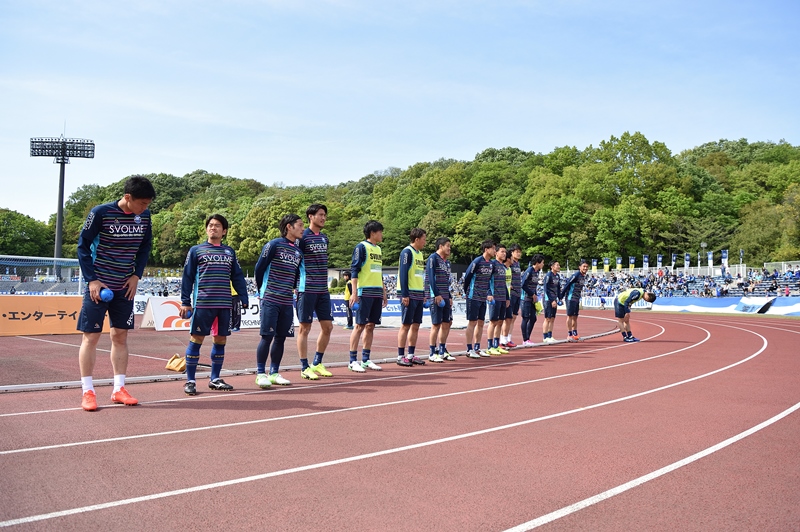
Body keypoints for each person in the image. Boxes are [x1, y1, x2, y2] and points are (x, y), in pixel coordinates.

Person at [76, 175, 156, 411]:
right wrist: (92, 280)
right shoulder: (101, 213)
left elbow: (145, 247)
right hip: (99, 286)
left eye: (148, 204)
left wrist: (136, 275)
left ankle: (119, 389)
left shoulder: (145, 217)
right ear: (127, 197)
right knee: (91, 337)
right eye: (142, 203)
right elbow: (82, 247)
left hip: (125, 286)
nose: (145, 208)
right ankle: (88, 391)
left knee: (120, 336)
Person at [179, 214, 249, 395]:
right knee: (196, 339)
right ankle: (190, 381)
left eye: (217, 225)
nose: (213, 228)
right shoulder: (196, 250)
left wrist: (244, 297)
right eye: (210, 225)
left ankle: (215, 379)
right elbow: (187, 277)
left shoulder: (229, 252)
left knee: (220, 340)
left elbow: (237, 276)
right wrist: (185, 302)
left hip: (224, 304)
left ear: (224, 231)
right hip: (203, 303)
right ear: (206, 229)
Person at [254, 214, 305, 388]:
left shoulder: (298, 252)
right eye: (300, 225)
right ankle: (260, 373)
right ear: (289, 227)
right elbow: (259, 268)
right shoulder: (274, 244)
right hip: (270, 297)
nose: (303, 228)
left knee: (281, 337)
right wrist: (262, 291)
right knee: (267, 336)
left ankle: (274, 373)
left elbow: (295, 275)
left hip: (286, 300)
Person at [296, 204, 335, 380]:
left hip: (322, 289)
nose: (323, 218)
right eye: (320, 215)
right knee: (305, 328)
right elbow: (296, 262)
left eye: (325, 215)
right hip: (307, 288)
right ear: (310, 217)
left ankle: (317, 362)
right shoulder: (302, 237)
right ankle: (304, 366)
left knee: (328, 327)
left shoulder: (325, 238)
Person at [348, 220, 388, 372]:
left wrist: (384, 292)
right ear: (372, 233)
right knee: (359, 326)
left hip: (377, 292)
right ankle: (352, 360)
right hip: (364, 292)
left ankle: (365, 359)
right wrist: (354, 293)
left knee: (371, 326)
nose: (382, 234)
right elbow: (354, 270)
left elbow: (379, 272)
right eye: (380, 232)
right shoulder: (361, 247)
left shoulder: (378, 249)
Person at [396, 228, 428, 367]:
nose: (425, 242)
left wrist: (423, 294)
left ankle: (410, 354)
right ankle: (400, 356)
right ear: (416, 239)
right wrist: (404, 294)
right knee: (406, 325)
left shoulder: (420, 254)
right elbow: (403, 273)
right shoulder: (407, 252)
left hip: (418, 294)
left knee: (416, 325)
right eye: (424, 239)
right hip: (409, 294)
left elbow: (420, 275)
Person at [462, 240, 496, 358]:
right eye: (493, 248)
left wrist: (489, 293)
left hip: (483, 297)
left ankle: (477, 347)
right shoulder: (477, 261)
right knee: (472, 322)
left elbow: (490, 281)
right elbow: (467, 276)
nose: (495, 251)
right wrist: (467, 291)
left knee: (481, 322)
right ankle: (469, 349)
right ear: (486, 249)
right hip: (473, 296)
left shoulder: (491, 264)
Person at [426, 237, 455, 362]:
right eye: (447, 245)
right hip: (436, 296)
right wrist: (436, 294)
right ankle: (432, 353)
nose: (449, 248)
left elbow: (447, 281)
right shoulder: (433, 258)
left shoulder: (447, 263)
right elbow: (430, 278)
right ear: (441, 246)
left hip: (445, 296)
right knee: (436, 324)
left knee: (447, 323)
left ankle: (442, 350)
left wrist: (449, 296)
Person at [486, 245, 510, 355]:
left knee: (500, 321)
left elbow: (504, 284)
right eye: (502, 252)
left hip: (502, 297)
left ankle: (496, 345)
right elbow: (487, 280)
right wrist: (489, 294)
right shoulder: (492, 264)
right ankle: (489, 346)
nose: (504, 254)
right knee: (493, 322)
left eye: (505, 252)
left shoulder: (503, 267)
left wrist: (507, 297)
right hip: (494, 297)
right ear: (496, 253)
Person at [520, 254, 545, 347]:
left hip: (532, 299)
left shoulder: (537, 272)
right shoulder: (529, 271)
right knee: (526, 318)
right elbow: (523, 285)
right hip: (525, 298)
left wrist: (535, 295)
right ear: (537, 263)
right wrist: (531, 294)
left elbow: (533, 286)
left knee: (533, 318)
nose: (543, 264)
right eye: (542, 262)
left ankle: (528, 338)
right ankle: (525, 339)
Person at [501, 244, 523, 349]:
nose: (518, 253)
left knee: (513, 317)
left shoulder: (517, 264)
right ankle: (503, 339)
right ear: (512, 253)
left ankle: (508, 338)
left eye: (520, 252)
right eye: (516, 251)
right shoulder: (509, 264)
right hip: (511, 293)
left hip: (518, 292)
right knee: (507, 318)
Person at [562, 259, 589, 342]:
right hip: (570, 298)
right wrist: (561, 295)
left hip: (577, 298)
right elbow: (567, 284)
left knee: (575, 317)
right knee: (570, 316)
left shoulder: (583, 276)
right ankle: (569, 335)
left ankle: (575, 334)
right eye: (584, 266)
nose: (585, 268)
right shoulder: (576, 275)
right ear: (579, 267)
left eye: (587, 267)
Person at [541, 260, 561, 344]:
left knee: (552, 318)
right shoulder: (548, 275)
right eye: (557, 265)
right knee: (547, 318)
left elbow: (558, 288)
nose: (559, 266)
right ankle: (545, 337)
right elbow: (546, 289)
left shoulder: (557, 276)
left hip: (554, 299)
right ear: (552, 267)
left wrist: (560, 298)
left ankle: (550, 335)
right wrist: (552, 300)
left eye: (559, 265)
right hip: (548, 299)